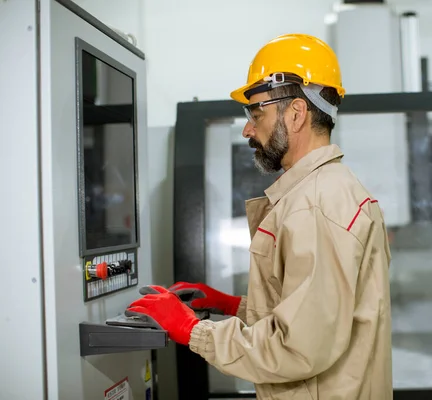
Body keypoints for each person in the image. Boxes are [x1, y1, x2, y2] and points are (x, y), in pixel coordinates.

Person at [127, 33, 393, 399]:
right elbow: (320, 312)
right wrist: (233, 306)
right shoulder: (322, 192)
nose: (248, 129)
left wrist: (192, 330)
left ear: (296, 113)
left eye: (256, 113)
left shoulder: (317, 205)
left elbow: (297, 347)